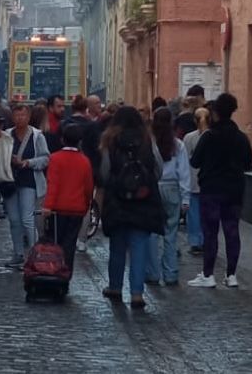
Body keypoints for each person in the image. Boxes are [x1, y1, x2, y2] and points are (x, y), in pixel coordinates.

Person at [99, 107, 164, 309]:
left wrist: (110, 185)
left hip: (117, 200)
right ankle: (137, 293)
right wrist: (146, 183)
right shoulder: (147, 139)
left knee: (117, 246)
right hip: (143, 200)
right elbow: (159, 167)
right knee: (139, 246)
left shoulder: (110, 140)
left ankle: (115, 287)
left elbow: (105, 170)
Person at [187, 93, 252, 289]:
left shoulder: (209, 136)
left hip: (211, 190)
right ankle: (231, 275)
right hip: (234, 190)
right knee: (232, 231)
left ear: (215, 113)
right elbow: (248, 163)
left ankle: (208, 274)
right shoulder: (241, 137)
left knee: (210, 232)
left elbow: (195, 161)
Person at [146, 107, 191, 286]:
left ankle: (152, 273)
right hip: (172, 188)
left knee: (151, 232)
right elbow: (184, 171)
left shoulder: (149, 142)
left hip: (154, 187)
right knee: (171, 234)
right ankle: (171, 273)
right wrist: (186, 197)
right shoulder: (177, 144)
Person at [41, 125, 94, 274]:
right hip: (76, 209)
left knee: (56, 243)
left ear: (63, 140)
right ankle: (66, 273)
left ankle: (54, 272)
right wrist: (86, 204)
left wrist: (48, 206)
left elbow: (53, 185)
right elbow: (88, 187)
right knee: (69, 245)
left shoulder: (55, 158)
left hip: (58, 209)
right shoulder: (85, 161)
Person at [4, 104, 51, 267]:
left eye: (23, 115)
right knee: (14, 220)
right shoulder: (7, 135)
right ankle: (18, 254)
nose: (20, 119)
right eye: (17, 115)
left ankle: (34, 253)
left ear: (29, 117)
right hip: (10, 181)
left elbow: (46, 158)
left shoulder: (37, 136)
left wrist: (27, 163)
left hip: (29, 181)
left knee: (27, 218)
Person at [59, 95, 97, 252]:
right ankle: (81, 239)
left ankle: (65, 234)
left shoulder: (64, 124)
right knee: (85, 205)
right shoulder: (92, 126)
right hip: (87, 165)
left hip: (66, 166)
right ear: (85, 108)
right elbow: (97, 148)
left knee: (66, 199)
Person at [183, 107, 210, 256]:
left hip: (193, 180)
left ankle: (195, 242)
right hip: (209, 181)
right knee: (207, 213)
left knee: (193, 214)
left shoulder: (189, 138)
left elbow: (186, 159)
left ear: (194, 120)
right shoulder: (213, 136)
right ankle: (206, 240)